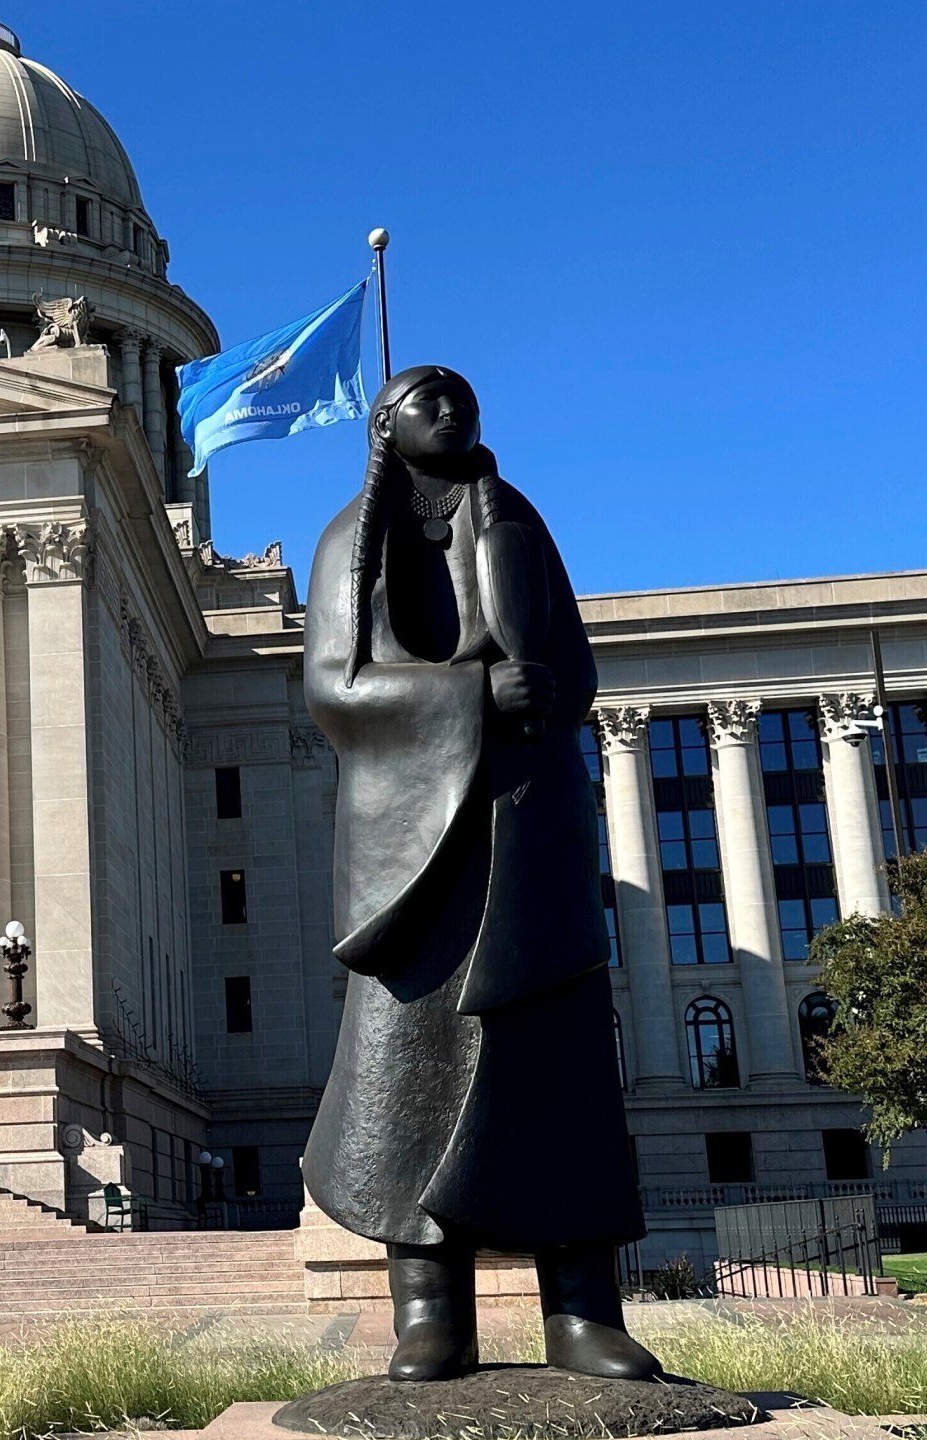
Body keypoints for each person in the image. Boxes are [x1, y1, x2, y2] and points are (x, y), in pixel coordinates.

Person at [300, 365, 658, 1383]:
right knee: (406, 1064)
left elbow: (575, 664)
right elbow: (335, 688)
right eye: (425, 396)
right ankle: (429, 1312)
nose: (450, 406)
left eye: (460, 394)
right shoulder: (347, 542)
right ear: (383, 425)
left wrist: (537, 695)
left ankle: (583, 1311)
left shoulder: (520, 523)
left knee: (556, 1062)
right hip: (415, 854)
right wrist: (471, 698)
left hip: (527, 822)